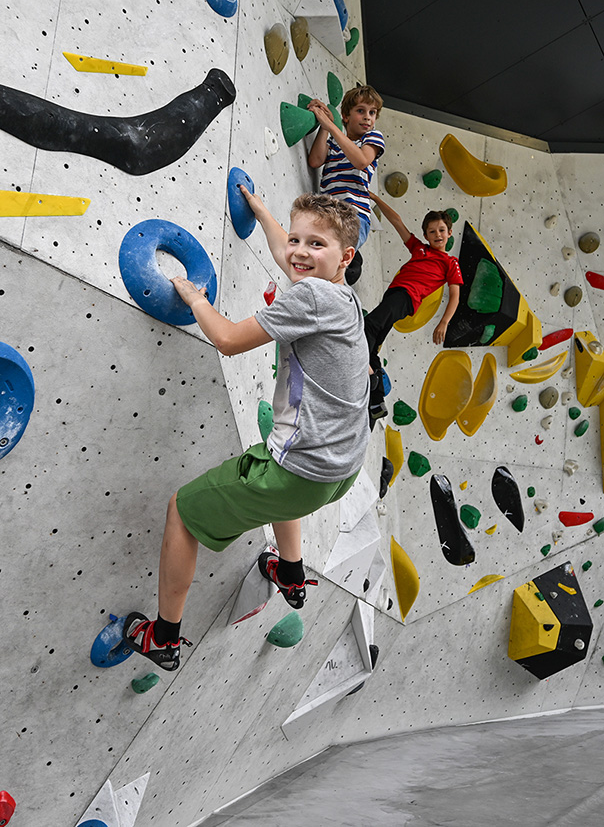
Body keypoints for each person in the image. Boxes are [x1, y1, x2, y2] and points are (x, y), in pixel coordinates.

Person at [122, 190, 370, 671]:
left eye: (315, 244)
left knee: (183, 510)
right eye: (296, 238)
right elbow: (291, 256)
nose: (299, 251)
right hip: (339, 468)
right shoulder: (342, 295)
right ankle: (291, 575)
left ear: (345, 256)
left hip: (298, 471)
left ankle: (163, 637)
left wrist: (194, 297)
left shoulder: (314, 296)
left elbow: (229, 339)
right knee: (281, 488)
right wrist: (263, 212)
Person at [364, 192, 463, 420]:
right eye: (432, 231)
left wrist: (444, 322)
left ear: (449, 233)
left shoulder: (450, 263)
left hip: (407, 297)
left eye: (441, 230)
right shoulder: (418, 248)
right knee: (375, 341)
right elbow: (397, 221)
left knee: (368, 326)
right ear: (425, 235)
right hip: (394, 295)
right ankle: (376, 401)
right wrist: (377, 200)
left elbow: (455, 296)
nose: (437, 235)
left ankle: (364, 373)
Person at [307, 84, 385, 284]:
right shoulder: (335, 142)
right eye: (361, 111)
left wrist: (331, 126)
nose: (368, 117)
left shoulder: (372, 138)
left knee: (333, 262)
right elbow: (315, 160)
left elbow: (361, 160)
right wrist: (325, 127)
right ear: (346, 116)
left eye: (372, 113)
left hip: (354, 216)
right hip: (328, 212)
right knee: (318, 262)